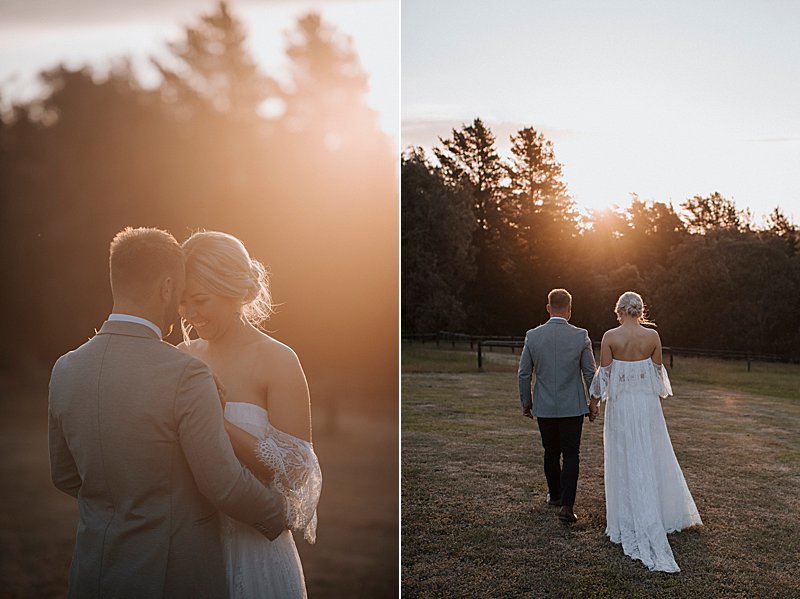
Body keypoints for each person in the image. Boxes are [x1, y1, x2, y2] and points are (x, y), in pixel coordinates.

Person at [48, 227, 287, 598]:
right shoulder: (185, 372)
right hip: (171, 575)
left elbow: (64, 475)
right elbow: (221, 483)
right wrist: (278, 513)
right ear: (165, 288)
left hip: (93, 571)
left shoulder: (65, 368)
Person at [179, 230, 321, 599]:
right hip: (189, 547)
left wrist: (218, 422)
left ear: (234, 292)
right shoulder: (181, 356)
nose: (189, 313)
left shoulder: (277, 360)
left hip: (255, 550)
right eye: (181, 301)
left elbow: (296, 470)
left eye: (199, 300)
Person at [589, 291, 702, 572]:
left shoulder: (610, 337)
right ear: (640, 311)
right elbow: (658, 379)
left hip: (622, 407)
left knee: (624, 457)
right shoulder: (652, 337)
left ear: (619, 311)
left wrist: (593, 402)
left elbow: (604, 376)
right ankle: (660, 512)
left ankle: (626, 519)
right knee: (652, 456)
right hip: (647, 407)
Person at [518, 288, 598, 524]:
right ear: (570, 310)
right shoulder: (581, 335)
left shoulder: (533, 336)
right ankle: (566, 505)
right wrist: (594, 403)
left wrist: (527, 402)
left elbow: (524, 374)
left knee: (551, 452)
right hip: (573, 407)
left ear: (548, 308)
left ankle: (554, 495)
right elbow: (590, 372)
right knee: (572, 454)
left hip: (544, 407)